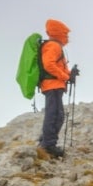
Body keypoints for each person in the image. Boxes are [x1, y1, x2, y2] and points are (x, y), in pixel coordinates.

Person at [38, 18, 77, 158]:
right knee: (55, 115)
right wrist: (66, 77)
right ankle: (48, 145)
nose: (67, 37)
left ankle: (46, 141)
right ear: (59, 33)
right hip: (52, 85)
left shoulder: (54, 46)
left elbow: (57, 66)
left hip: (53, 85)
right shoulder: (54, 46)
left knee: (56, 114)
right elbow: (49, 65)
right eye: (65, 34)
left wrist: (69, 74)